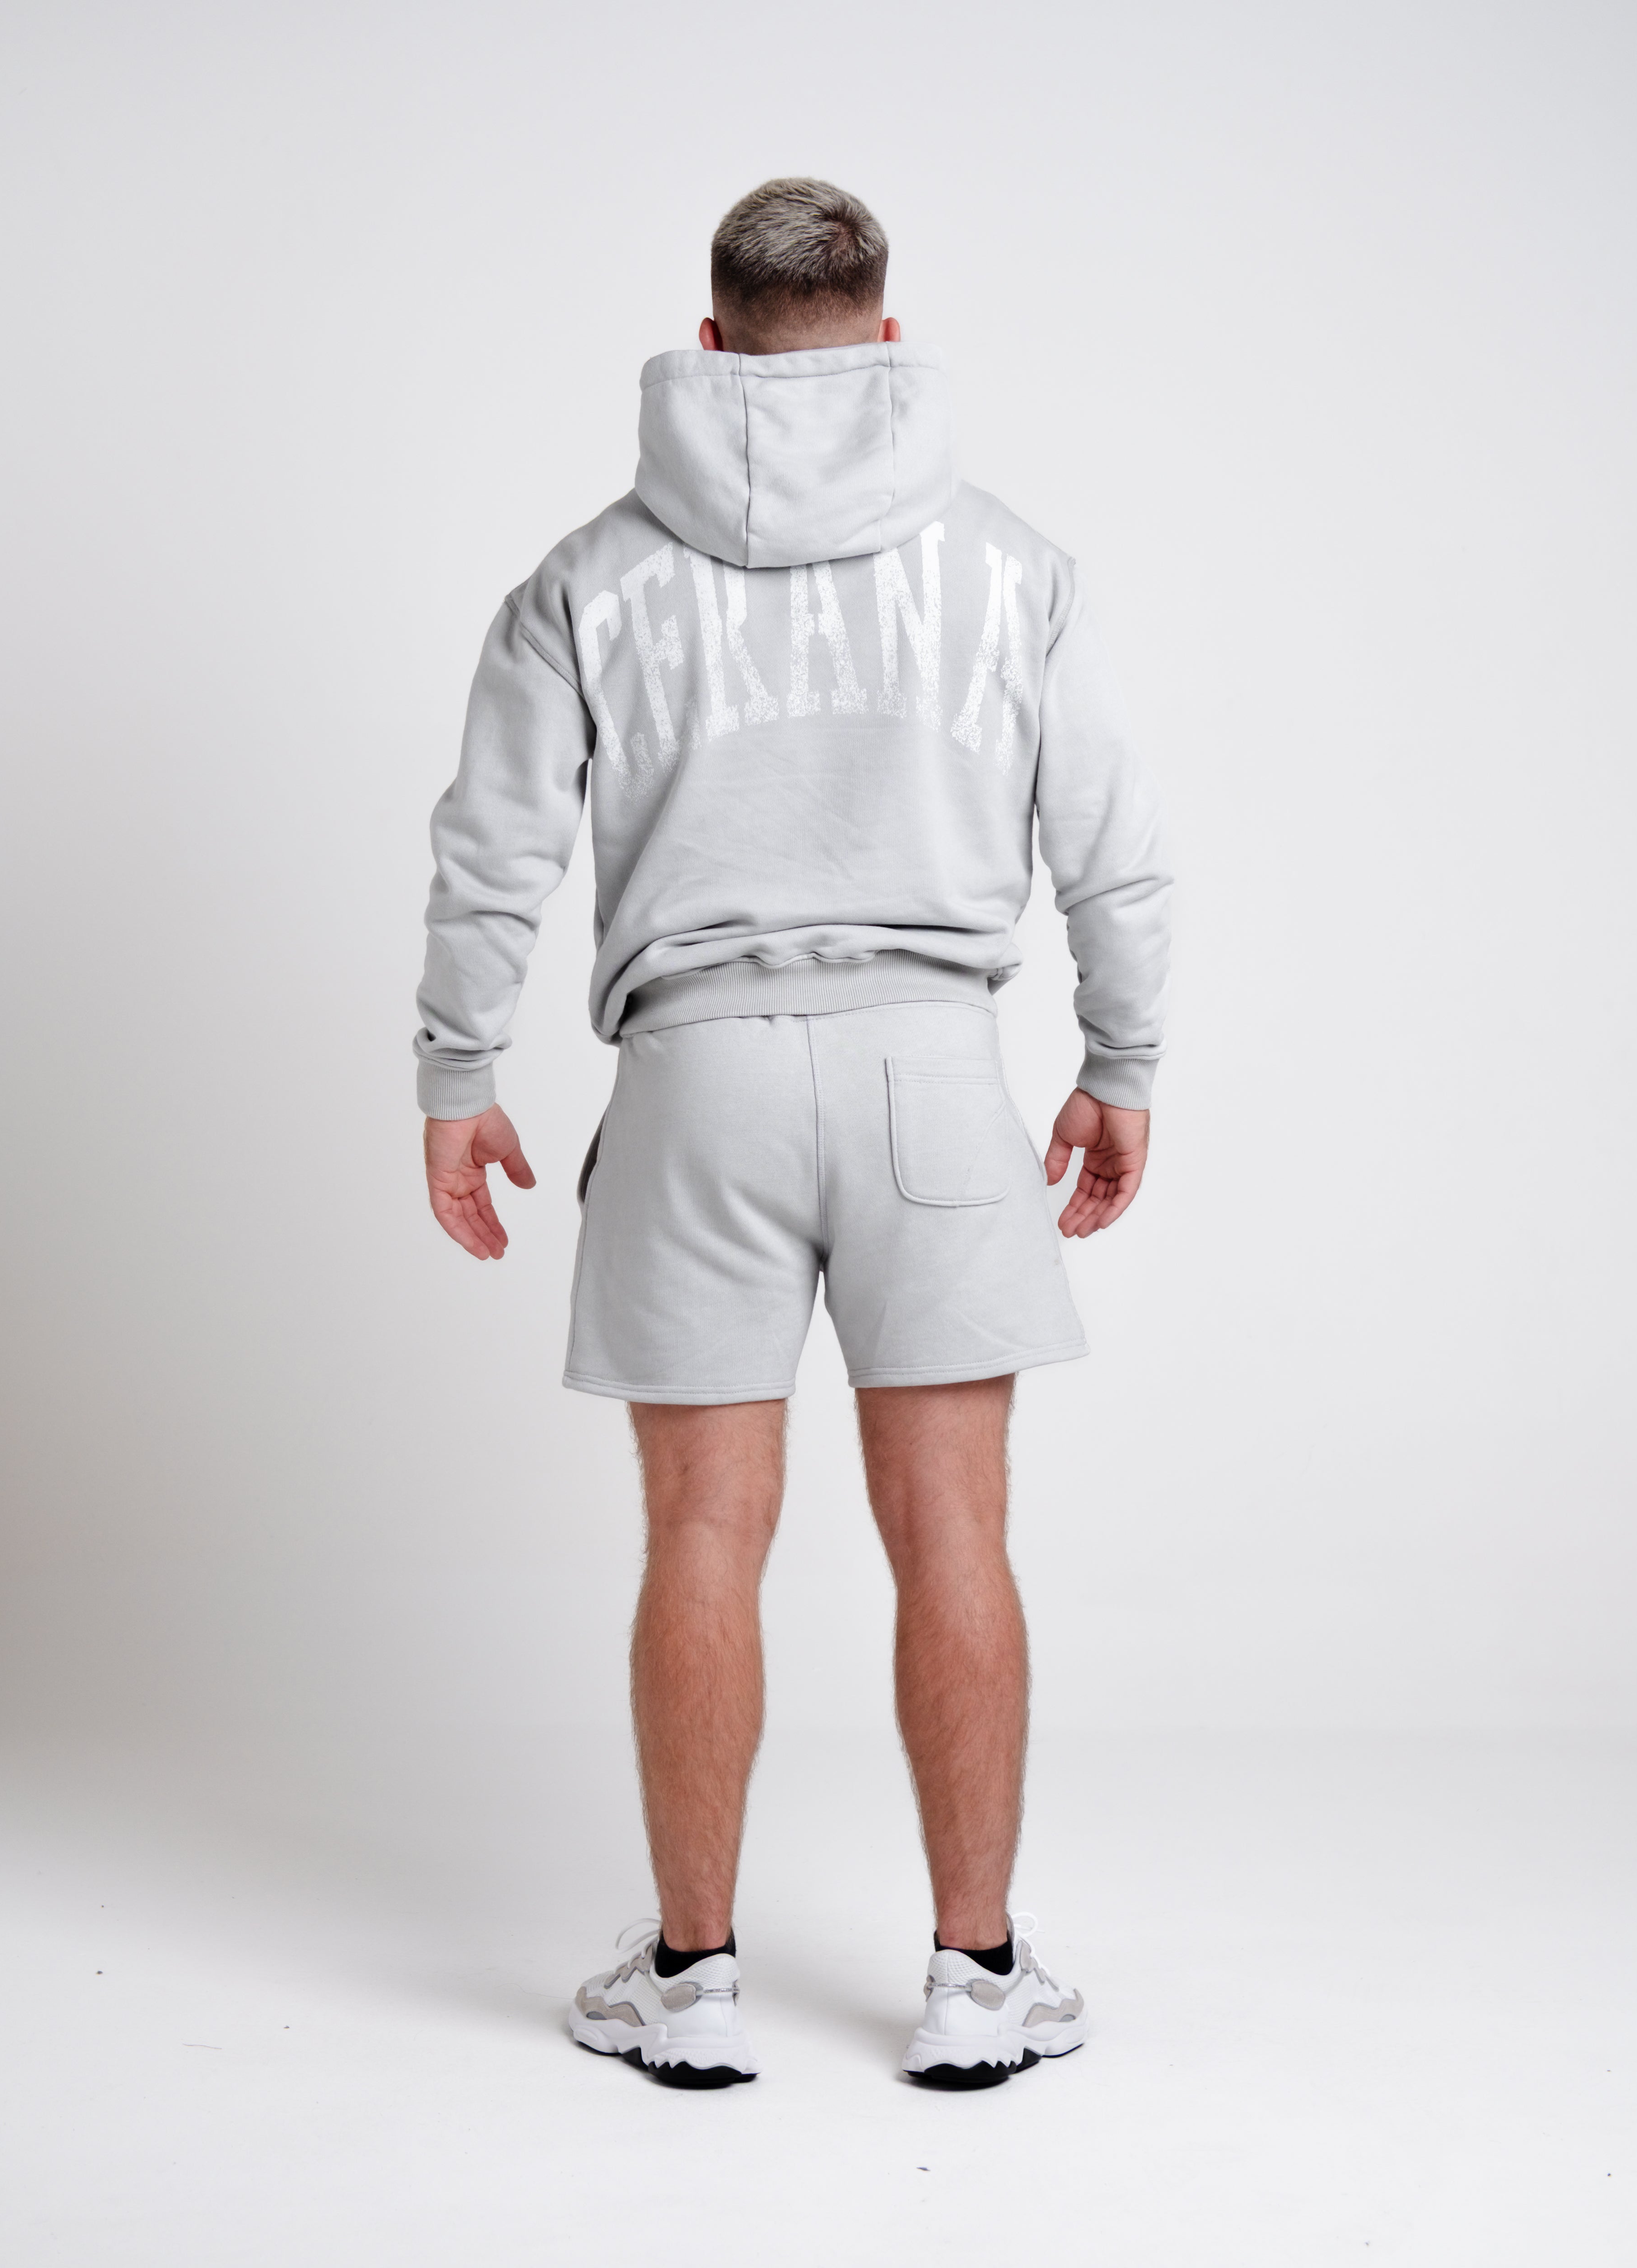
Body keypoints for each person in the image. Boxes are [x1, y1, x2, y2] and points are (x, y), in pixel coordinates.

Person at [414, 178, 1171, 2089]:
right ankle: (979, 1977)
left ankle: (690, 1983)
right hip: (934, 1067)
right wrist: (1122, 1057)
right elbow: (1112, 845)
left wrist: (456, 1076)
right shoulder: (1011, 566)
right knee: (954, 1525)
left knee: (701, 1527)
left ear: (713, 339)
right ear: (888, 335)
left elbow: (493, 849)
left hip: (698, 1075)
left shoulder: (589, 576)